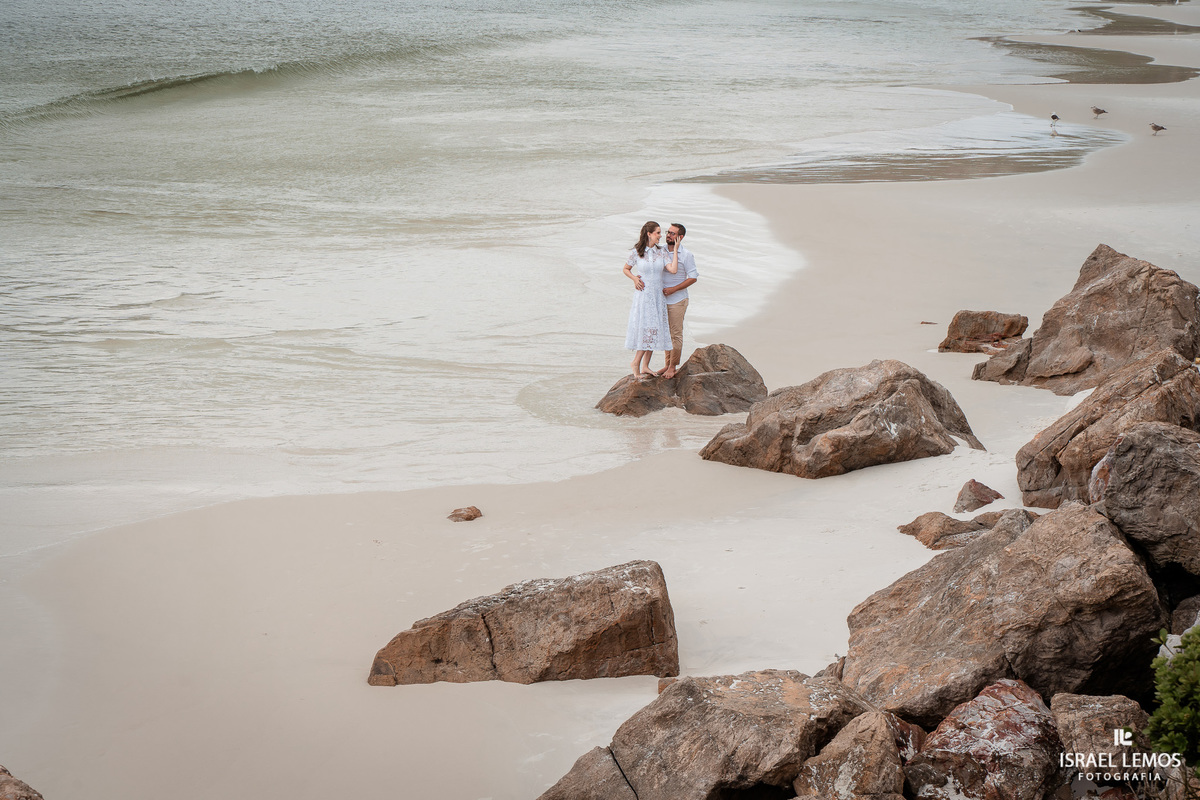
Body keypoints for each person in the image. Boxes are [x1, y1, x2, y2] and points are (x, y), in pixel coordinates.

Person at [623, 221, 679, 379]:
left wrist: (674, 250)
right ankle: (636, 363)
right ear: (649, 234)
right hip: (644, 295)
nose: (661, 236)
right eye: (658, 233)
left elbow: (673, 270)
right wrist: (634, 279)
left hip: (657, 296)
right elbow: (626, 269)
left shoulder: (662, 252)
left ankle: (645, 365)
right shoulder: (637, 252)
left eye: (660, 233)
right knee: (646, 329)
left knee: (654, 330)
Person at [657, 222, 698, 379]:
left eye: (673, 233)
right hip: (661, 299)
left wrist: (674, 289)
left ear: (680, 237)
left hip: (678, 299)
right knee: (666, 334)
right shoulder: (659, 250)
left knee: (676, 333)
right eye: (668, 232)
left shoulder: (686, 254)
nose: (668, 235)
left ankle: (673, 367)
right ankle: (667, 364)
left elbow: (693, 277)